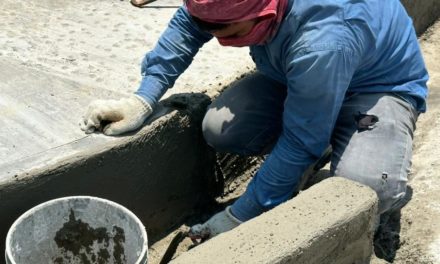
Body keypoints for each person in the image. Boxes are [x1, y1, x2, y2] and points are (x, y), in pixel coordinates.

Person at [80, 0, 428, 241]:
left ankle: (331, 141)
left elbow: (299, 140)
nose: (217, 39)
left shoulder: (323, 40)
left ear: (264, 11)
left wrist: (242, 214)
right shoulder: (243, 9)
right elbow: (190, 24)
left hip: (375, 89)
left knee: (361, 191)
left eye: (227, 31)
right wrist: (144, 97)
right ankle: (315, 131)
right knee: (221, 128)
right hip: (297, 76)